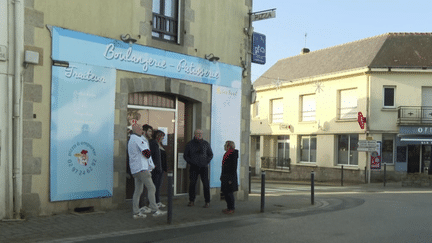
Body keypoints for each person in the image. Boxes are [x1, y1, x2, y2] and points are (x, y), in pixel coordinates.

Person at [128, 124, 166, 219]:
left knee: (138, 190)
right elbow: (147, 154)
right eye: (141, 129)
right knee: (152, 188)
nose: (142, 131)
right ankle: (154, 210)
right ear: (136, 129)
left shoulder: (131, 140)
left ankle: (136, 212)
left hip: (135, 169)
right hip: (142, 168)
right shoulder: (138, 139)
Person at [183, 129, 214, 208]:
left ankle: (207, 201)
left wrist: (205, 162)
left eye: (201, 133)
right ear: (194, 134)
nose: (200, 134)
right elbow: (185, 156)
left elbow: (210, 155)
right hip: (193, 167)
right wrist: (191, 162)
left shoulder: (206, 144)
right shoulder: (190, 144)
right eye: (198, 133)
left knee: (206, 184)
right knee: (192, 184)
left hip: (204, 167)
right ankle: (191, 201)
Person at [220, 141, 239, 214]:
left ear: (229, 146)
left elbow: (233, 168)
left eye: (225, 145)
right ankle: (228, 207)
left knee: (229, 193)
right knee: (225, 192)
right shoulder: (227, 154)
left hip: (230, 177)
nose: (224, 146)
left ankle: (231, 208)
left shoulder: (232, 154)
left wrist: (230, 179)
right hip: (225, 176)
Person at [150, 129, 166, 208]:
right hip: (155, 169)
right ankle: (154, 202)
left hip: (161, 168)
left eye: (163, 137)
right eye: (161, 136)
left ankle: (157, 201)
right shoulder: (154, 144)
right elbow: (153, 156)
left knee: (158, 186)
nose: (162, 138)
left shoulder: (160, 145)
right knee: (155, 186)